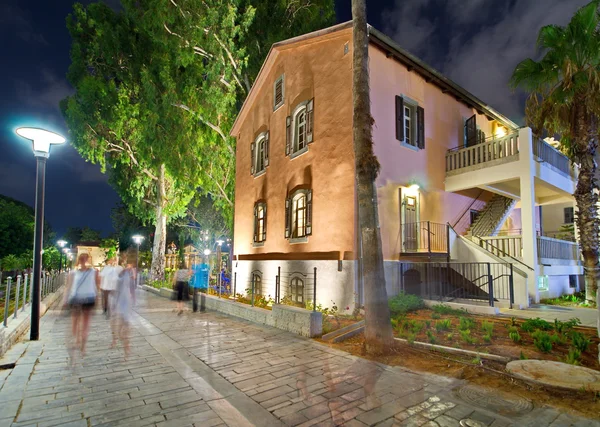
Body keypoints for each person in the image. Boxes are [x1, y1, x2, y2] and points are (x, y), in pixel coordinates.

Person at [63, 253, 99, 360]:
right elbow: (97, 286)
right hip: (89, 298)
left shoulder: (73, 273)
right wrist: (98, 300)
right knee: (85, 324)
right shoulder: (94, 272)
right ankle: (82, 345)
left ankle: (77, 341)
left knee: (75, 322)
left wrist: (65, 300)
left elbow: (68, 288)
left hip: (77, 298)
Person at [110, 252, 136, 358]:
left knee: (125, 324)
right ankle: (119, 341)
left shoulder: (129, 272)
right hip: (121, 300)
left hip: (125, 300)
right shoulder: (120, 272)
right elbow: (118, 286)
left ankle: (126, 347)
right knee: (121, 325)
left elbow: (132, 285)